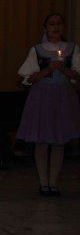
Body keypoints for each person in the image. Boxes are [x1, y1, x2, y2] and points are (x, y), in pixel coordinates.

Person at [16, 12, 80, 196]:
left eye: (59, 23)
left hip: (63, 97)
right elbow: (28, 78)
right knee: (42, 140)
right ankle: (44, 182)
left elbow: (76, 75)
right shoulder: (37, 50)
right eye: (52, 24)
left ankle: (54, 182)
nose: (56, 27)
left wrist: (63, 69)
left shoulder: (72, 48)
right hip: (42, 97)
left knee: (59, 140)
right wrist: (48, 69)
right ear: (45, 28)